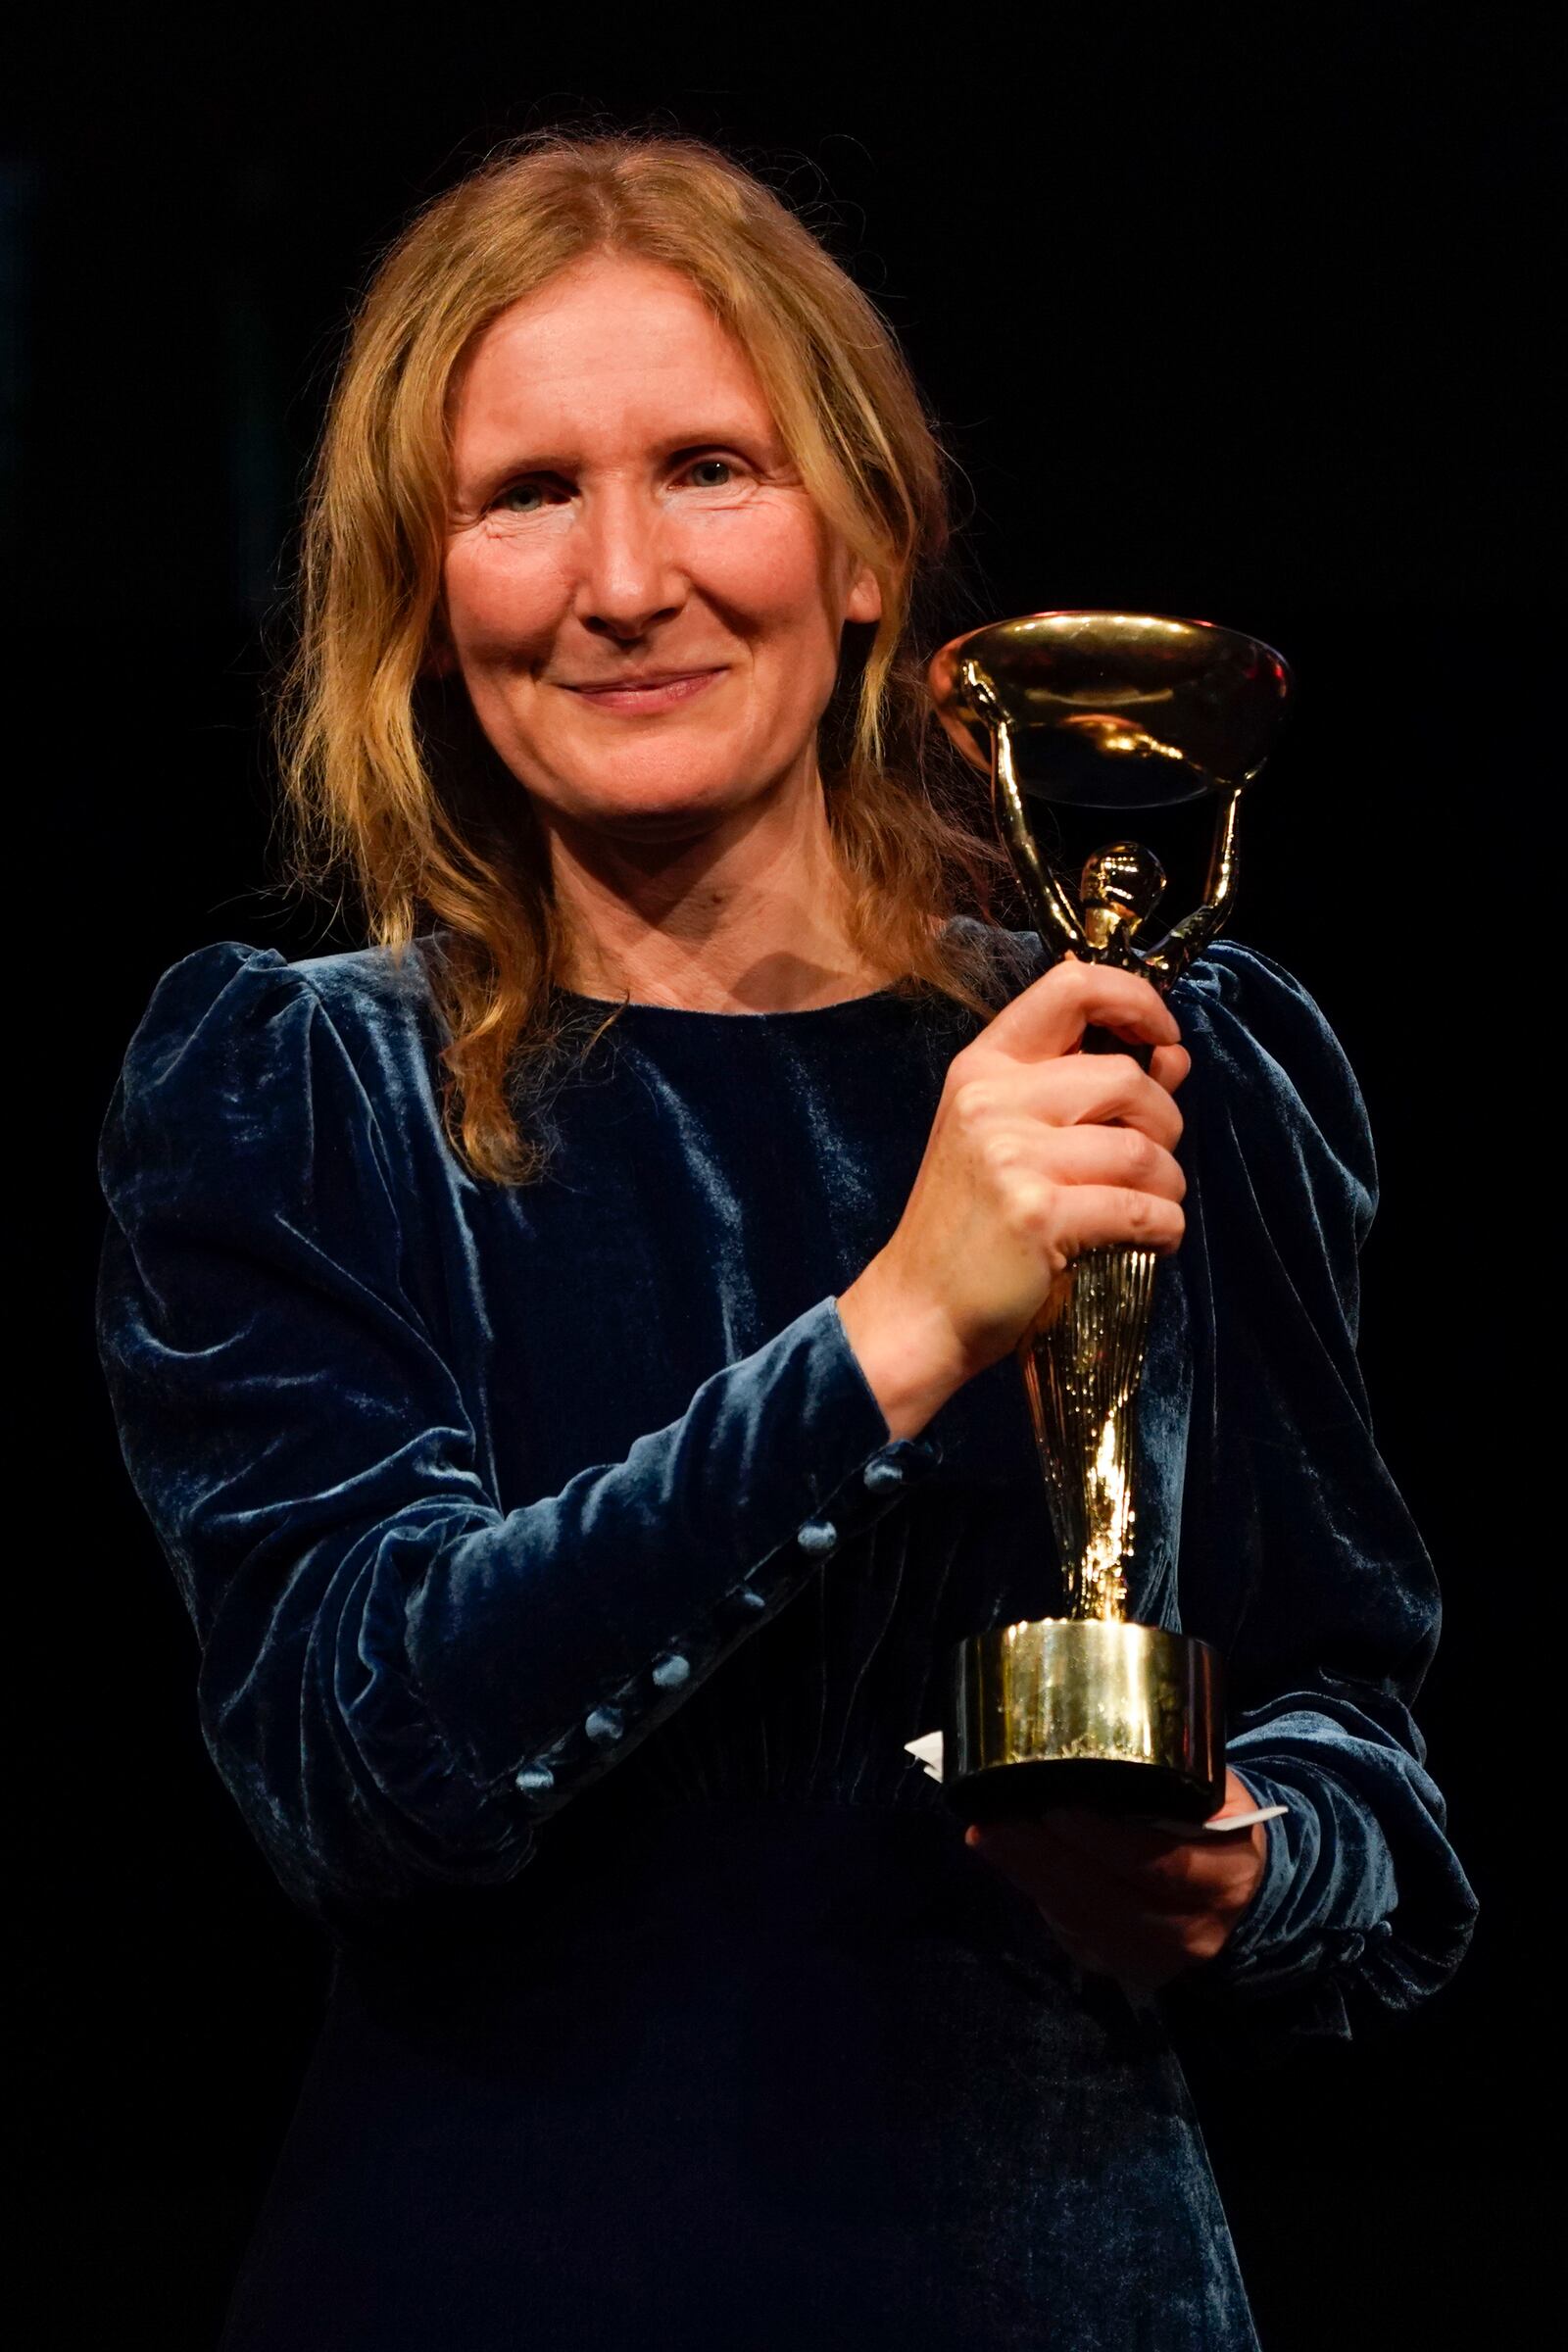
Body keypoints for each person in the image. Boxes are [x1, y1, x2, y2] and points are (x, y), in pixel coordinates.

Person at [95, 133, 1476, 2352]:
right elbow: (354, 1764)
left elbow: (1369, 1785)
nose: (624, 578)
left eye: (710, 467)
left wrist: (1229, 1862)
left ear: (861, 549)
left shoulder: (1150, 1046)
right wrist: (896, 1325)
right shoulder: (302, 1087)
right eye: (524, 493)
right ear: (420, 596)